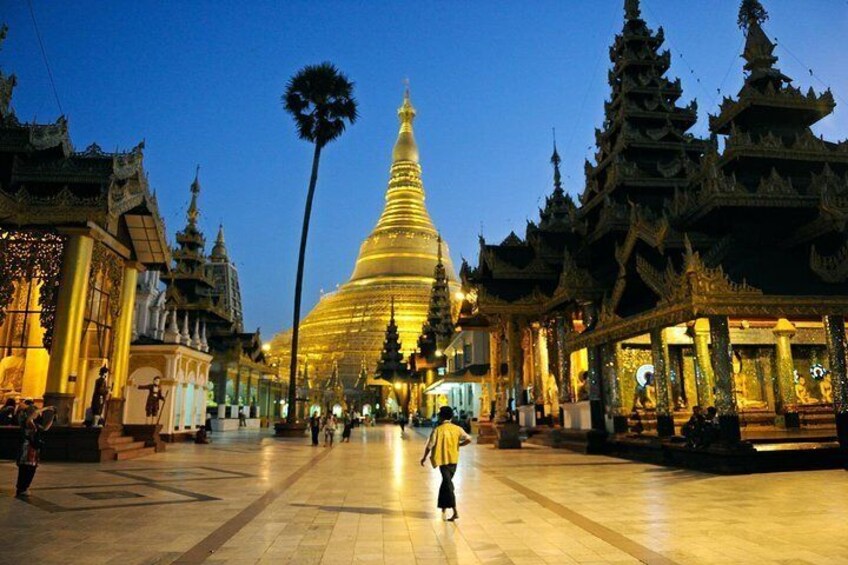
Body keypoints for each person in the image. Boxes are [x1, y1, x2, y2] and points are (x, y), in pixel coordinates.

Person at [420, 406, 472, 522]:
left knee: (448, 485)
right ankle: (444, 507)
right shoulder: (457, 429)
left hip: (443, 461)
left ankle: (454, 511)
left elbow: (430, 446)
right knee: (447, 483)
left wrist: (424, 457)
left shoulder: (438, 430)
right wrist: (459, 445)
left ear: (441, 416)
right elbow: (469, 439)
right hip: (454, 460)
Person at [16, 404, 55, 497]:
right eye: (36, 412)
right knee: (25, 469)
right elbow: (32, 414)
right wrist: (47, 408)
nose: (37, 414)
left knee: (31, 470)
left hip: (34, 450)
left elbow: (45, 428)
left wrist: (52, 417)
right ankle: (22, 488)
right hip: (27, 449)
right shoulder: (27, 421)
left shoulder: (35, 424)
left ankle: (25, 487)